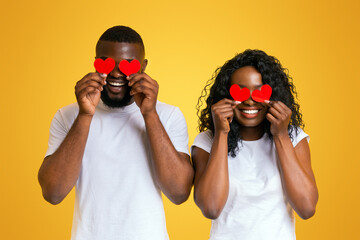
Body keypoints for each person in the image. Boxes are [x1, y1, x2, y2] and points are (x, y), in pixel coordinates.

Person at [38, 26, 194, 240]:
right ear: (95, 62)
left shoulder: (168, 116)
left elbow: (179, 193)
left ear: (144, 66)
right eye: (107, 63)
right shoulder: (68, 116)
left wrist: (149, 114)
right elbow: (53, 193)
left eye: (128, 65)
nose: (116, 73)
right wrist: (85, 115)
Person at [192, 49, 318, 239]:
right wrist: (221, 134)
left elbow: (307, 208)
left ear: (274, 96)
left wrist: (281, 136)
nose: (250, 101)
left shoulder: (293, 138)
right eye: (240, 92)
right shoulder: (207, 141)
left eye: (260, 93)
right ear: (225, 96)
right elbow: (211, 208)